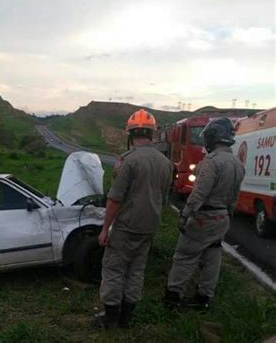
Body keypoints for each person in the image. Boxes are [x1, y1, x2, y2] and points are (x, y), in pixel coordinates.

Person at [93, 109, 173, 329]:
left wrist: (104, 229)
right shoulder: (165, 163)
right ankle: (127, 317)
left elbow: (115, 199)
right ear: (152, 134)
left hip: (126, 227)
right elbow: (164, 198)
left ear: (130, 134)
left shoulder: (127, 161)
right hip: (148, 228)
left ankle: (110, 317)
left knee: (114, 269)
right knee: (137, 270)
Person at [164, 117, 245, 309]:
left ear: (213, 137)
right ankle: (204, 298)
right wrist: (228, 215)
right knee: (212, 257)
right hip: (222, 217)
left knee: (185, 255)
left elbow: (200, 193)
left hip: (204, 218)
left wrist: (185, 214)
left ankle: (173, 296)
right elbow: (234, 197)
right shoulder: (237, 164)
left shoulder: (211, 162)